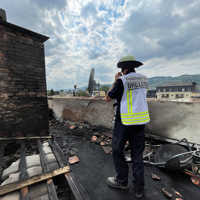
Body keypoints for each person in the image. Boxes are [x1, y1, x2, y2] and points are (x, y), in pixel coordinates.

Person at [105, 55, 150, 199]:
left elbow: (108, 98)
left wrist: (115, 80)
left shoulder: (122, 80)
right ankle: (139, 189)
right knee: (137, 155)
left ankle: (122, 181)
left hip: (124, 122)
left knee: (118, 150)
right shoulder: (144, 79)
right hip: (140, 122)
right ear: (134, 67)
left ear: (123, 69)